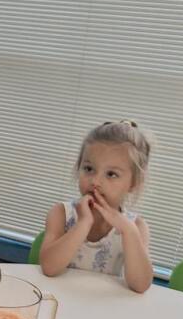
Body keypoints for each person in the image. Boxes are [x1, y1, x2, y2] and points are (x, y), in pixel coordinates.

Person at [40, 120, 153, 293]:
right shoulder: (61, 214)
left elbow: (140, 285)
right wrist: (83, 224)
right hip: (60, 299)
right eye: (89, 169)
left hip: (103, 304)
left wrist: (129, 231)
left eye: (111, 174)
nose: (95, 181)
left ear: (133, 183)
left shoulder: (136, 227)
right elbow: (49, 268)